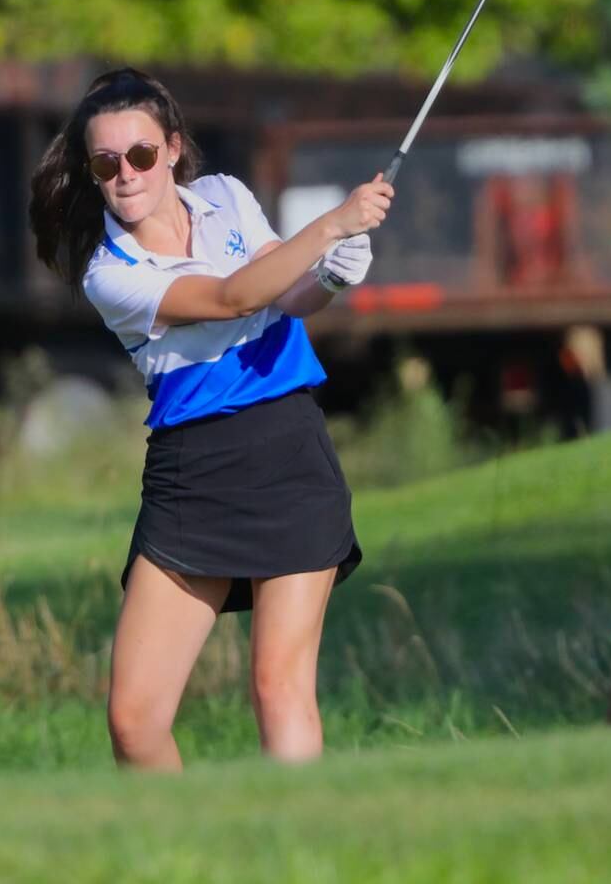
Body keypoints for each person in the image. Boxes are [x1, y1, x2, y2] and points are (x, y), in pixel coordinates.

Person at [29, 67, 393, 771]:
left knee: (279, 686)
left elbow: (285, 297)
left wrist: (331, 273)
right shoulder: (111, 271)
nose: (125, 175)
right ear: (92, 173)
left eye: (139, 155)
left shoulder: (226, 196)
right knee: (134, 720)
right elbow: (230, 298)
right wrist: (331, 225)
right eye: (106, 164)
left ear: (170, 149)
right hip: (192, 472)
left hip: (287, 449)